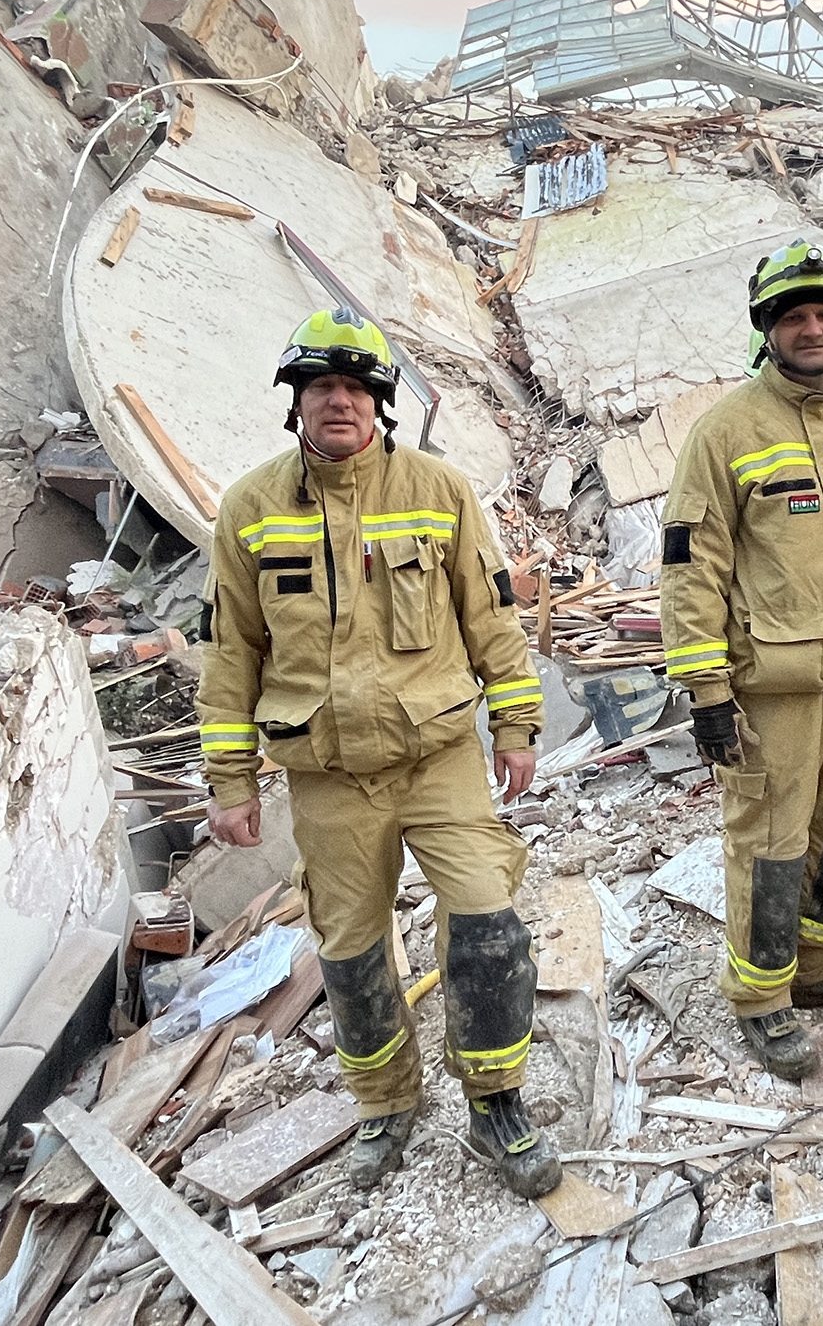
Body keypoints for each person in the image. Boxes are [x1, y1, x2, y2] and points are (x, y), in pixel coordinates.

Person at [197, 308, 561, 1198]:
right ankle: (386, 1103)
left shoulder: (439, 491)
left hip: (436, 760)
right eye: (321, 387)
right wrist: (230, 780)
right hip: (323, 775)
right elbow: (231, 652)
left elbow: (491, 617)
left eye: (356, 389)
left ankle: (495, 1104)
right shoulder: (250, 509)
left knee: (485, 923)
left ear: (380, 404)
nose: (339, 403)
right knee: (352, 953)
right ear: (295, 403)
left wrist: (516, 725)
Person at [661, 239, 823, 1078]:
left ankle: (822, 966)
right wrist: (703, 688)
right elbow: (691, 567)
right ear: (766, 328)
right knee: (769, 845)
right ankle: (762, 998)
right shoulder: (726, 431)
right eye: (793, 315)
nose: (812, 328)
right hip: (770, 685)